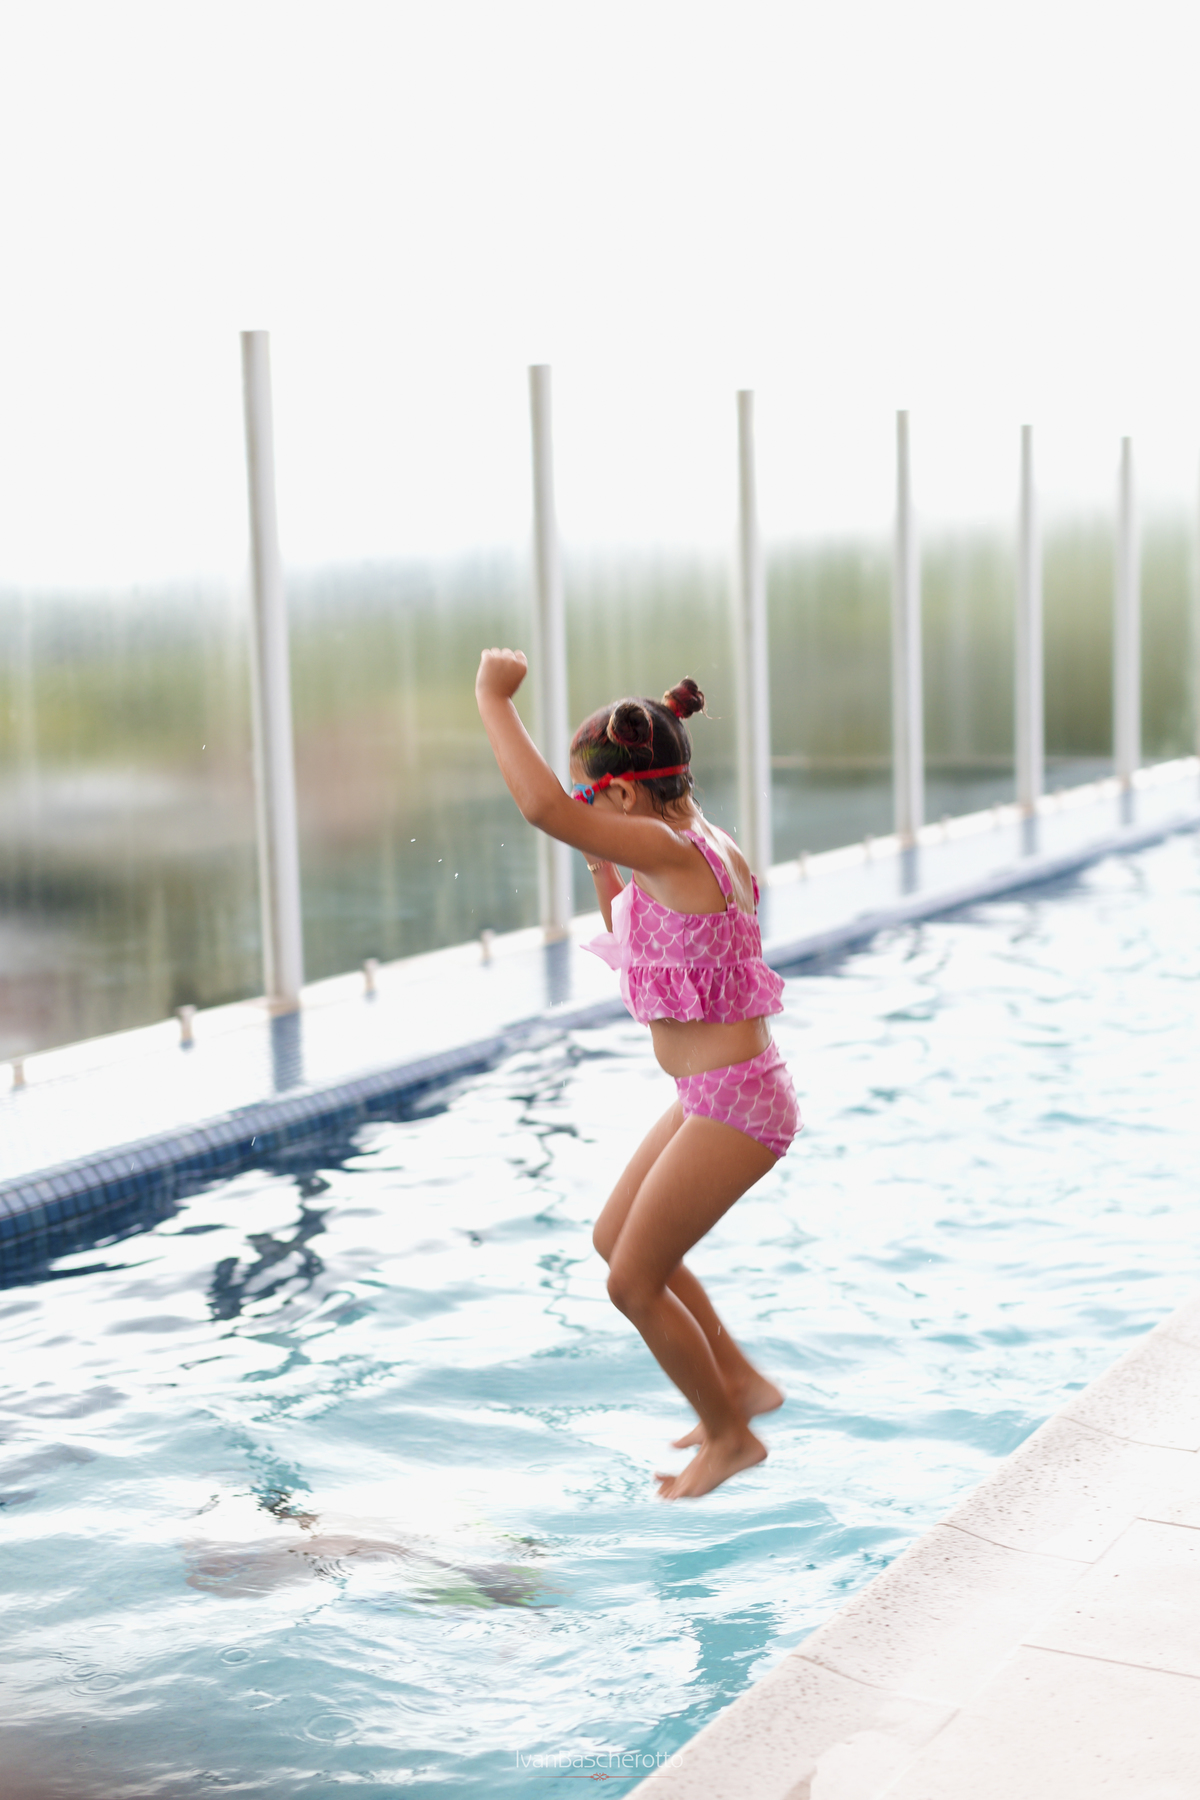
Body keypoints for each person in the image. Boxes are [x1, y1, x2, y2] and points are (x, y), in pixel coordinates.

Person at [475, 649, 800, 1498]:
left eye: (594, 802)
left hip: (737, 1104)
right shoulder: (696, 842)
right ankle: (738, 1384)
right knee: (614, 1240)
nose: (586, 816)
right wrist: (598, 862)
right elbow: (635, 932)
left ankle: (730, 1439)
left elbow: (542, 807)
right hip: (716, 1093)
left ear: (623, 795)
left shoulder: (669, 849)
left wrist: (493, 698)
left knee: (631, 1281)